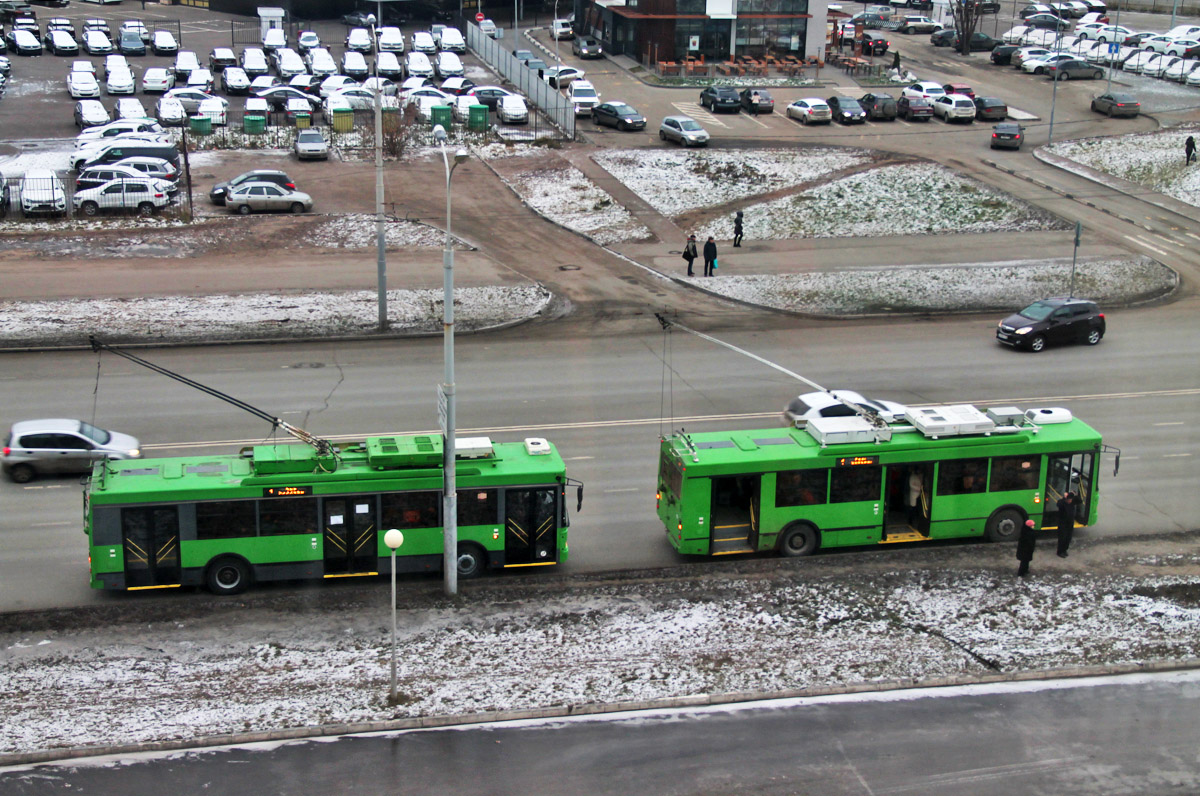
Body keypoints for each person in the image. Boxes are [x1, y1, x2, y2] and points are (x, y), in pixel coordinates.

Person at [1056, 491, 1076, 558]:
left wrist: (1073, 494)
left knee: (1068, 538)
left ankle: (1064, 550)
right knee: (1062, 538)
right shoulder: (1062, 503)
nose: (1070, 501)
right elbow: (1058, 504)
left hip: (1070, 523)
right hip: (1063, 524)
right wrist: (1064, 498)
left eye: (1071, 499)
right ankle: (1060, 552)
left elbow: (1080, 501)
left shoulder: (1072, 503)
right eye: (1069, 500)